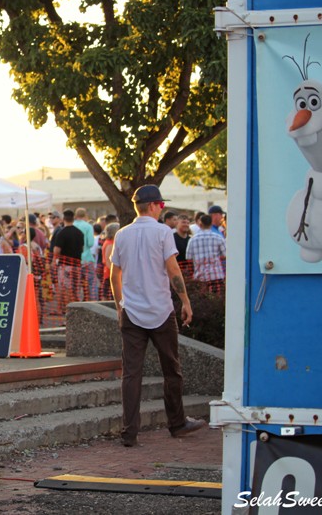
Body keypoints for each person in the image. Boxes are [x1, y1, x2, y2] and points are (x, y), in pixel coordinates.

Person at [110, 184, 206, 447]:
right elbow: (173, 270)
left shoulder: (122, 234)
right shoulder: (163, 232)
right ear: (152, 206)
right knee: (171, 370)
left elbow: (114, 274)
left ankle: (129, 432)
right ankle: (177, 423)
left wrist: (120, 306)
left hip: (132, 311)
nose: (162, 209)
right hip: (162, 310)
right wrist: (185, 300)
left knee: (131, 374)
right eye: (161, 205)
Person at [51, 209, 83, 311]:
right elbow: (82, 248)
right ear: (73, 218)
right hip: (77, 265)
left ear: (63, 219)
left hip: (65, 266)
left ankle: (68, 310)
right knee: (75, 289)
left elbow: (56, 250)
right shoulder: (79, 233)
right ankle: (76, 309)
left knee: (65, 288)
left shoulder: (62, 233)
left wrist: (54, 261)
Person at [186, 214, 226, 294]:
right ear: (211, 224)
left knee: (203, 303)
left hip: (200, 277)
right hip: (216, 276)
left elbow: (188, 258)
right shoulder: (218, 237)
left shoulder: (192, 240)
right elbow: (225, 255)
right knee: (217, 302)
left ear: (200, 224)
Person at [74, 207, 98, 301]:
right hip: (87, 258)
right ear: (85, 215)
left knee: (76, 284)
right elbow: (91, 243)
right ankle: (93, 303)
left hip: (75, 260)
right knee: (91, 283)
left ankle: (77, 303)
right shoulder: (88, 226)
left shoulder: (72, 225)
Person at [100, 221, 120, 300]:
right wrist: (114, 271)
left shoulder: (109, 242)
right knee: (109, 294)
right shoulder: (110, 243)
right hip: (109, 273)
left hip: (108, 272)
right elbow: (108, 260)